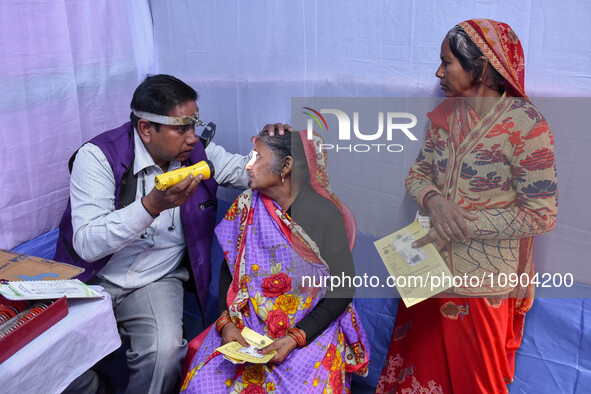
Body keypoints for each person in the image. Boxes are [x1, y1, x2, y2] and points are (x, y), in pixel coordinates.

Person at [53, 74, 291, 394]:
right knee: (53, 359)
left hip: (157, 277)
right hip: (96, 277)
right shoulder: (98, 157)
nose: (193, 138)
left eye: (194, 125)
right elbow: (86, 244)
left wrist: (277, 149)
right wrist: (150, 206)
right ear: (146, 129)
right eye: (182, 129)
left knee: (165, 355)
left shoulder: (197, 153)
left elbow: (247, 172)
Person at [376, 19, 558, 393]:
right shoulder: (446, 116)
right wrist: (434, 200)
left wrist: (460, 223)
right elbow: (418, 174)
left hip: (483, 280)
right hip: (427, 268)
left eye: (448, 62)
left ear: (482, 68)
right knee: (419, 368)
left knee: (475, 380)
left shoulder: (527, 126)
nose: (439, 72)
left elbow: (541, 214)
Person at [181, 130, 370, 393]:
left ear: (286, 166)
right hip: (249, 321)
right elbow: (231, 267)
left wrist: (295, 339)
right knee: (202, 387)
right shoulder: (247, 204)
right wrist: (226, 321)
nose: (248, 164)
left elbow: (344, 288)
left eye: (257, 157)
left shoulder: (323, 216)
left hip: (308, 324)